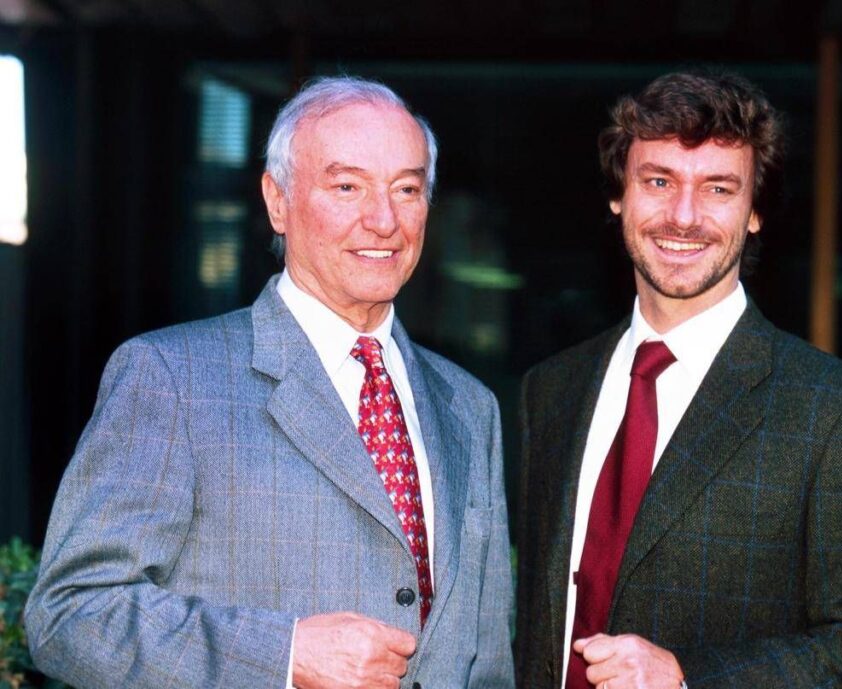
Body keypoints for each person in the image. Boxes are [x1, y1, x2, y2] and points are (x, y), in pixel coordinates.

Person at [25, 75, 514, 689]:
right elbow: (69, 615)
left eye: (406, 189)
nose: (384, 220)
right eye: (347, 186)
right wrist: (283, 655)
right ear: (277, 201)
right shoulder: (171, 378)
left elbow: (488, 664)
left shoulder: (469, 406)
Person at [515, 70, 842, 689]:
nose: (683, 217)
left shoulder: (841, 413)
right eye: (659, 182)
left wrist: (688, 676)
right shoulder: (550, 392)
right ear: (618, 195)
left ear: (755, 211)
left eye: (717, 188)